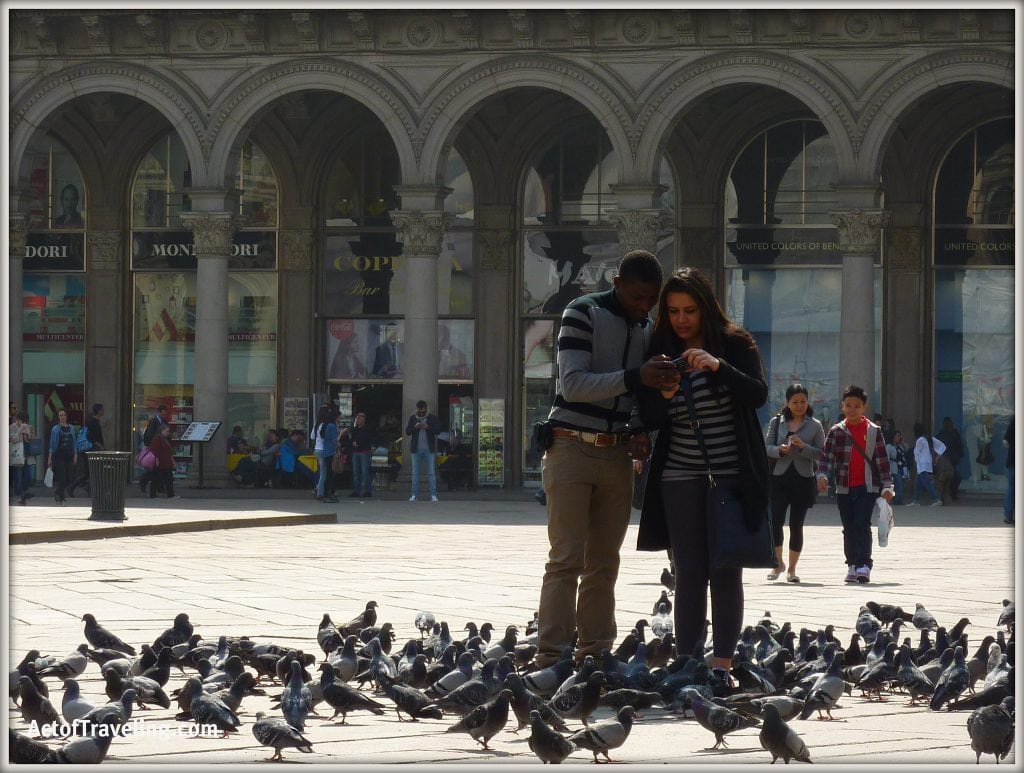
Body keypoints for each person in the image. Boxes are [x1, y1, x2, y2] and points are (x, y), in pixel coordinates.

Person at [533, 249, 666, 670]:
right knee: (566, 558)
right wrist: (634, 377)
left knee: (604, 562)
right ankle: (549, 655)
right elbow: (572, 384)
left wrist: (641, 428)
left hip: (616, 454)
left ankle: (595, 652)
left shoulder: (644, 327)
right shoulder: (582, 312)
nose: (644, 307)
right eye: (638, 297)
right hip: (569, 446)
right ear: (619, 283)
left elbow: (640, 396)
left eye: (651, 300)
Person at [635, 264, 768, 683]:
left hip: (729, 475)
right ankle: (687, 663)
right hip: (679, 477)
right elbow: (651, 417)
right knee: (689, 571)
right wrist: (666, 392)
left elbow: (758, 394)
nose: (681, 319)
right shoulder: (658, 351)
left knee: (725, 568)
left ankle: (723, 664)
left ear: (705, 308)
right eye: (673, 311)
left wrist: (716, 366)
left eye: (689, 310)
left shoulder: (734, 343)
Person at [815, 385, 895, 584]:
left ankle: (864, 565)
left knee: (862, 524)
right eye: (848, 405)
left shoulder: (874, 431)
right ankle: (851, 564)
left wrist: (887, 486)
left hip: (867, 487)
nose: (852, 409)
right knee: (848, 526)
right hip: (843, 487)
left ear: (864, 408)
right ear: (842, 406)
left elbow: (882, 461)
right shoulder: (836, 431)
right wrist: (822, 475)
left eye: (856, 406)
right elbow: (826, 457)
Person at [764, 383, 824, 584]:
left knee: (796, 525)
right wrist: (779, 450)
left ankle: (792, 569)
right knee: (776, 522)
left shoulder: (815, 425)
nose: (799, 405)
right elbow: (766, 447)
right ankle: (777, 563)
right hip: (779, 477)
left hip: (803, 478)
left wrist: (803, 446)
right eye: (795, 402)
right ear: (787, 403)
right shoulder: (776, 422)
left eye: (803, 402)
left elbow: (821, 453)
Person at [406, 400, 440, 502]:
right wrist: (415, 427)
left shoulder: (431, 418)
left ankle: (433, 495)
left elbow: (438, 430)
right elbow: (407, 432)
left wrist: (428, 427)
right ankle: (414, 495)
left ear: (425, 409)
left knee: (431, 472)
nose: (420, 413)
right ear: (416, 409)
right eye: (419, 411)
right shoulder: (413, 418)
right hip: (416, 449)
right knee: (415, 473)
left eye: (422, 411)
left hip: (429, 449)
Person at [69, 403, 105, 498]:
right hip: (91, 449)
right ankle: (74, 487)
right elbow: (91, 436)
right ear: (98, 410)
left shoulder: (93, 420)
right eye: (102, 409)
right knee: (91, 471)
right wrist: (99, 445)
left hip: (91, 448)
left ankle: (86, 488)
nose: (103, 411)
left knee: (89, 471)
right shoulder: (93, 421)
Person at [907, 422, 945, 507]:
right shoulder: (929, 438)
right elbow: (942, 446)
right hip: (928, 463)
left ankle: (936, 499)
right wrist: (937, 457)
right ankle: (915, 500)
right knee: (918, 483)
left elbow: (916, 452)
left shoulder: (920, 440)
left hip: (921, 464)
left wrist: (916, 464)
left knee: (926, 483)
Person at [47, 408, 79, 505]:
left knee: (69, 478)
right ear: (58, 417)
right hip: (59, 456)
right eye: (60, 415)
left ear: (66, 416)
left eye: (64, 415)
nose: (62, 417)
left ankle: (60, 494)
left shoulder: (72, 428)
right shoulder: (55, 429)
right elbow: (52, 444)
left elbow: (74, 443)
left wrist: (75, 455)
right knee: (62, 478)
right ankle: (59, 495)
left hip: (69, 455)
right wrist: (49, 457)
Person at [342, 412, 374, 498]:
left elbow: (367, 439)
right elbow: (351, 439)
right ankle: (356, 490)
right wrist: (352, 440)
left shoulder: (367, 429)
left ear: (364, 419)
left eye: (361, 418)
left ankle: (368, 491)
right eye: (358, 418)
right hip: (356, 452)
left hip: (364, 452)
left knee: (365, 472)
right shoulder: (355, 429)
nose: (359, 420)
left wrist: (358, 443)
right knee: (356, 472)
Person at [140, 405, 170, 495]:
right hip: (155, 448)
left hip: (161, 449)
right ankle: (145, 481)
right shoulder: (153, 421)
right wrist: (150, 446)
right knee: (155, 470)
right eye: (163, 413)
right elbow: (149, 434)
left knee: (158, 470)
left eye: (165, 413)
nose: (164, 415)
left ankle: (158, 487)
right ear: (159, 412)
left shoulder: (164, 421)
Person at [313, 405, 340, 503]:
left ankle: (319, 490)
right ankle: (321, 492)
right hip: (326, 450)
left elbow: (314, 436)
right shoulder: (331, 426)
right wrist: (338, 446)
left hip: (320, 449)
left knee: (322, 472)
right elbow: (334, 440)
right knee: (325, 473)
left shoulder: (320, 425)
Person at [936, 416, 965, 500]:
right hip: (945, 460)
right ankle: (948, 495)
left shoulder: (950, 434)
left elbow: (959, 446)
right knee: (952, 477)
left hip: (950, 460)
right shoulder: (943, 434)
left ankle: (950, 494)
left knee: (953, 477)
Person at [148, 423, 179, 498]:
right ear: (162, 431)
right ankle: (154, 494)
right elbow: (154, 450)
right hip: (160, 462)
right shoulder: (157, 438)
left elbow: (168, 452)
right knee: (157, 478)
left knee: (168, 479)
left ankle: (170, 494)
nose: (168, 433)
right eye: (167, 431)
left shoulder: (164, 439)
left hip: (166, 462)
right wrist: (157, 459)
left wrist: (173, 461)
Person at [17, 410, 38, 505]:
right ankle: (22, 495)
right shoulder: (15, 427)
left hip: (27, 455)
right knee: (21, 476)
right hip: (19, 455)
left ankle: (23, 495)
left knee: (27, 476)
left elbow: (32, 439)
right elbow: (24, 439)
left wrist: (31, 432)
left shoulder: (28, 427)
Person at [9, 403, 29, 505]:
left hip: (25, 455)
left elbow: (28, 440)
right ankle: (18, 495)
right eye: (22, 420)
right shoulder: (12, 427)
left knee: (27, 476)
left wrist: (29, 434)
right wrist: (20, 430)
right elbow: (13, 439)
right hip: (17, 455)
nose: (23, 423)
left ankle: (23, 494)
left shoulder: (26, 426)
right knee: (18, 476)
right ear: (18, 419)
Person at [885, 429, 911, 505]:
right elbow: (887, 458)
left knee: (901, 485)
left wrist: (901, 441)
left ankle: (898, 500)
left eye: (900, 436)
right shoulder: (889, 446)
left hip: (901, 468)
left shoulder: (900, 446)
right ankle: (897, 501)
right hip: (894, 468)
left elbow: (907, 448)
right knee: (899, 485)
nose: (899, 437)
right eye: (897, 436)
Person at [1003, 416, 1014, 525]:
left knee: (1012, 489)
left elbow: (1006, 441)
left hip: (1013, 460)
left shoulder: (1015, 419)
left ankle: (1009, 515)